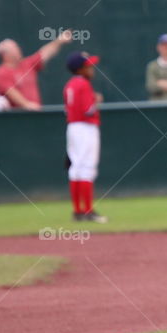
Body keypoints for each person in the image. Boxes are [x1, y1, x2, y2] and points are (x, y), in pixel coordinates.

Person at [64, 51, 107, 223]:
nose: (92, 68)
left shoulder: (70, 84)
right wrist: (96, 100)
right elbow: (88, 109)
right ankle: (88, 211)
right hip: (85, 128)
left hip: (73, 126)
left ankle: (78, 211)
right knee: (87, 168)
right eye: (88, 65)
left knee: (76, 169)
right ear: (80, 69)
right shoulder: (83, 84)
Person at [0, 31, 73, 109]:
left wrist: (59, 40)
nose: (19, 49)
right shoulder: (1, 72)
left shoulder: (27, 64)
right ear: (5, 55)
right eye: (15, 48)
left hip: (35, 114)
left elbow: (44, 53)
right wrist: (27, 105)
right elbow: (10, 91)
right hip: (17, 117)